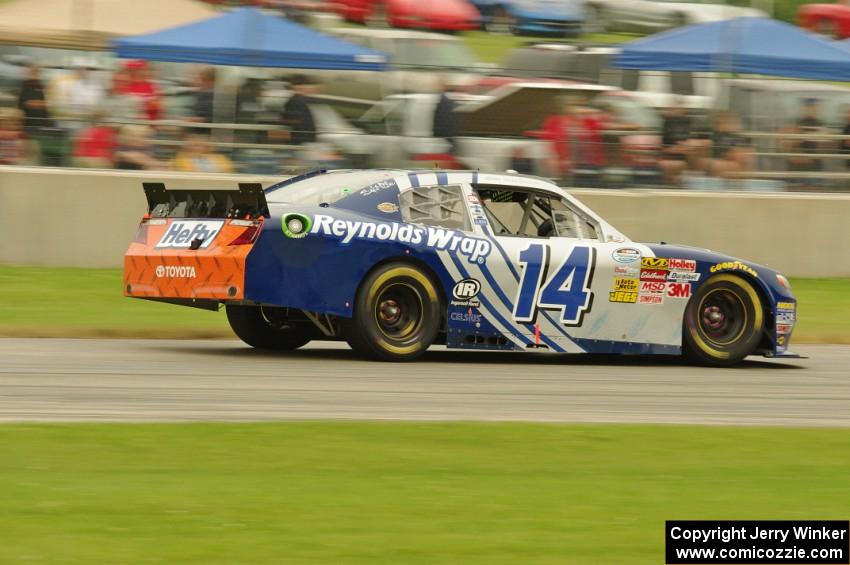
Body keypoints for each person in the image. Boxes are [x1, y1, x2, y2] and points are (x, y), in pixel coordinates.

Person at [704, 111, 753, 179]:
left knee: (715, 165)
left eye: (724, 120)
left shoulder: (736, 138)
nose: (720, 122)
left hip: (731, 168)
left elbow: (743, 156)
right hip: (720, 168)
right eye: (718, 121)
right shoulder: (715, 135)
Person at [658, 98, 692, 185]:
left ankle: (677, 180)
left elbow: (687, 141)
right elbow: (662, 145)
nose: (679, 110)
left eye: (681, 108)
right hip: (668, 153)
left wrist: (683, 146)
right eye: (674, 108)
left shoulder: (686, 122)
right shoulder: (665, 122)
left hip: (682, 153)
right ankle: (673, 181)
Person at [17, 62, 52, 138]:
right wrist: (45, 103)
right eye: (33, 71)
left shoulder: (40, 85)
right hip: (29, 125)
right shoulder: (26, 86)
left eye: (37, 71)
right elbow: (28, 103)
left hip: (42, 125)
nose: (36, 73)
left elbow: (48, 103)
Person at [280, 75, 317, 146]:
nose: (312, 89)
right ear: (301, 87)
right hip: (301, 141)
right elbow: (291, 120)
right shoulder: (296, 101)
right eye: (309, 85)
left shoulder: (299, 100)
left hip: (303, 140)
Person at [432, 79, 457, 152]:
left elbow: (443, 118)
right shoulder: (445, 100)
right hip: (443, 137)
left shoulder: (445, 101)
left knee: (439, 160)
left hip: (443, 137)